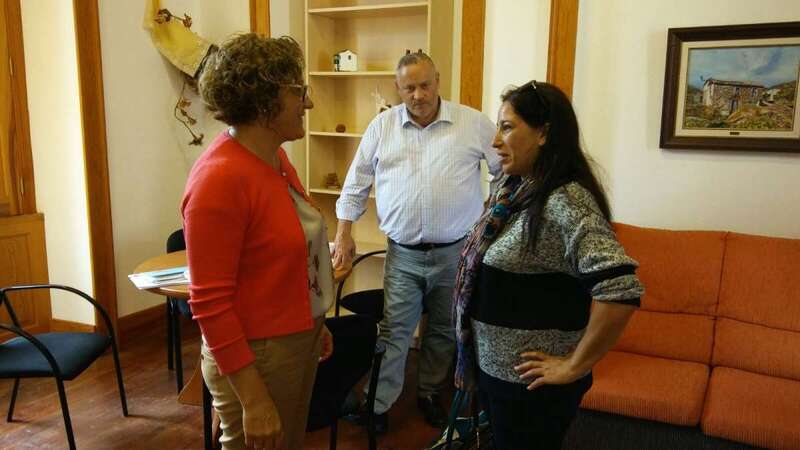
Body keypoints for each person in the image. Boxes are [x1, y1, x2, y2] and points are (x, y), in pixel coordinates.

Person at [452, 80, 644, 450]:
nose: (494, 141)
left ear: (543, 133)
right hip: (500, 378)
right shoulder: (515, 192)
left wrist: (574, 365)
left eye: (507, 127)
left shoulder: (564, 200)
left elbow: (621, 289)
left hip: (531, 391)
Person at [333, 51, 502, 431]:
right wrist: (343, 232)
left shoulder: (471, 123)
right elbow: (356, 182)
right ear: (398, 88)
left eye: (425, 85)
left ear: (438, 81)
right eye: (409, 87)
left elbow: (504, 170)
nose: (418, 94)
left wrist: (493, 219)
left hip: (454, 253)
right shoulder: (382, 127)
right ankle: (377, 406)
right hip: (403, 254)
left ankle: (428, 392)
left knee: (443, 328)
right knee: (394, 330)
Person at [182, 34, 334, 450]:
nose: (308, 103)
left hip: (291, 339)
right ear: (265, 102)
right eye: (298, 92)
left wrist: (312, 319)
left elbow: (285, 256)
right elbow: (210, 303)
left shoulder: (274, 159)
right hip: (258, 356)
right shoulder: (220, 179)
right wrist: (252, 398)